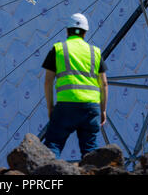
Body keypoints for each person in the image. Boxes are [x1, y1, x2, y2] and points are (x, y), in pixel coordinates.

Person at [42, 12, 108, 159]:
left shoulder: (58, 49)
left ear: (67, 30)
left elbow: (48, 82)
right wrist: (102, 110)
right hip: (91, 107)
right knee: (90, 151)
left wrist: (50, 107)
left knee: (53, 144)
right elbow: (104, 83)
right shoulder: (95, 52)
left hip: (66, 105)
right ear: (85, 32)